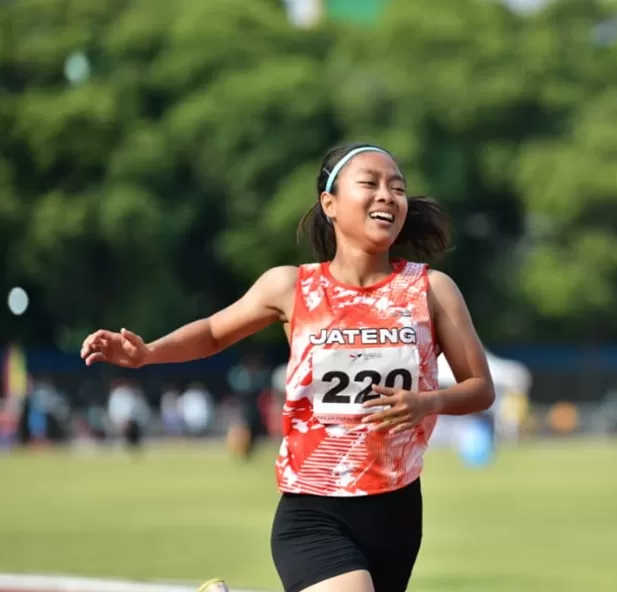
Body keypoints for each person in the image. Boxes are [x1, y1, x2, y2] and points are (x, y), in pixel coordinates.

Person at [80, 143, 496, 592]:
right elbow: (215, 332)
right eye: (370, 184)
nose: (387, 196)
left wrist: (426, 402)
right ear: (330, 203)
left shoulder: (431, 289)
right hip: (313, 509)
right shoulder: (292, 286)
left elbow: (480, 387)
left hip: (396, 511)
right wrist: (147, 354)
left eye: (397, 188)